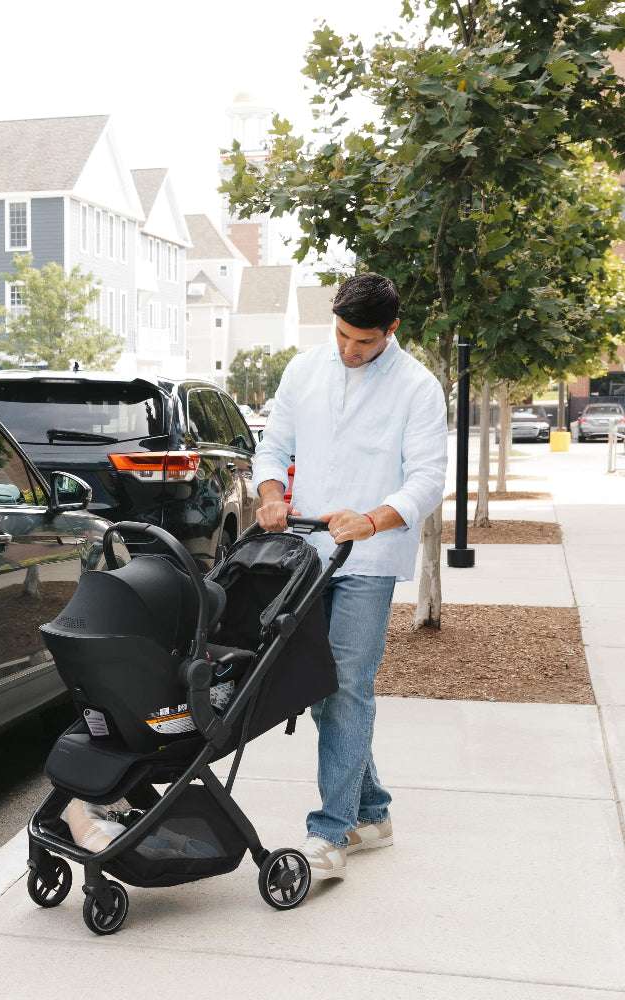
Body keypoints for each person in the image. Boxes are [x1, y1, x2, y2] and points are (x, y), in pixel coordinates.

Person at [252, 273, 447, 880]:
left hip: (368, 558)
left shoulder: (418, 387)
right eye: (341, 334)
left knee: (348, 686)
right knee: (319, 685)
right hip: (306, 553)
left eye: (362, 341)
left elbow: (427, 480)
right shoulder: (303, 371)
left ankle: (330, 833)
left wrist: (373, 519)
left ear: (391, 331)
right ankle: (375, 811)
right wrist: (270, 493)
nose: (348, 350)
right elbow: (272, 445)